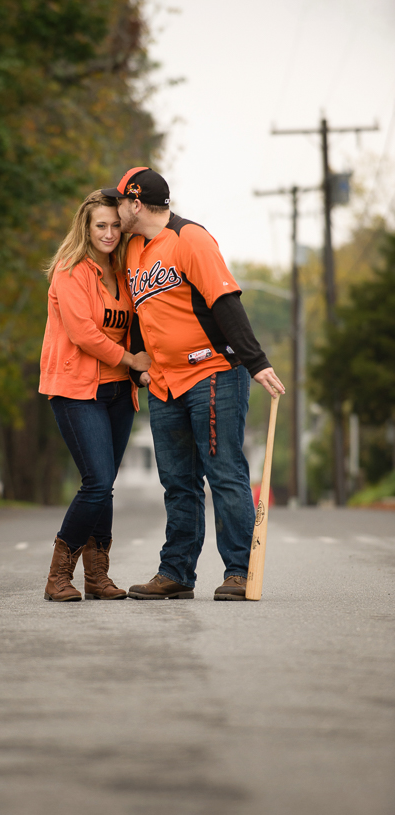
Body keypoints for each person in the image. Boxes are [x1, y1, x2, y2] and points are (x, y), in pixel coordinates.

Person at [101, 167, 285, 600]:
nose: (115, 209)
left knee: (223, 473)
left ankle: (238, 571)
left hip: (213, 374)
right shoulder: (132, 251)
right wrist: (137, 367)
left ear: (136, 203)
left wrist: (255, 361)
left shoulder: (191, 240)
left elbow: (225, 300)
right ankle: (177, 572)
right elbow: (143, 316)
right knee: (178, 482)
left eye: (119, 202)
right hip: (164, 385)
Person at [39, 190, 152, 602]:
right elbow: (83, 333)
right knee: (97, 482)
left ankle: (97, 577)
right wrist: (131, 360)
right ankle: (57, 577)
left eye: (114, 225)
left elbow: (137, 321)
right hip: (75, 390)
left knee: (105, 487)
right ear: (85, 229)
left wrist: (138, 368)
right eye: (100, 226)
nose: (108, 233)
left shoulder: (123, 271)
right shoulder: (71, 270)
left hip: (118, 392)